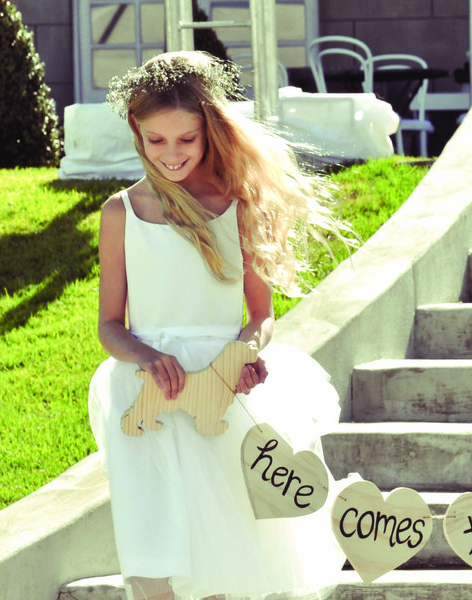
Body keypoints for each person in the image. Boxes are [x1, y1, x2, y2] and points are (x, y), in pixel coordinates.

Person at [87, 51, 347, 600]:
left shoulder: (238, 206)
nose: (171, 154)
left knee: (225, 553)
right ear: (137, 131)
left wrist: (246, 355)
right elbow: (110, 325)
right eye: (156, 140)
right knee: (154, 548)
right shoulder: (120, 213)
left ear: (209, 131)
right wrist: (144, 356)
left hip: (220, 393)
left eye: (186, 139)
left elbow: (261, 313)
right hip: (147, 395)